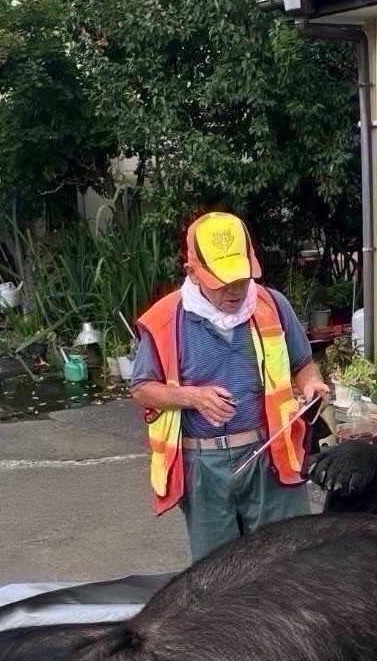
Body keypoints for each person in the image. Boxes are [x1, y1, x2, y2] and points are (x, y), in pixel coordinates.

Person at [129, 210, 331, 561]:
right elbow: (141, 388)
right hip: (204, 465)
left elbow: (303, 364)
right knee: (218, 573)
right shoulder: (165, 320)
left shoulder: (272, 305)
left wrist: (312, 385)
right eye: (222, 282)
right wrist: (193, 397)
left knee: (290, 563)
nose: (236, 290)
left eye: (241, 278)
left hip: (271, 454)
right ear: (193, 272)